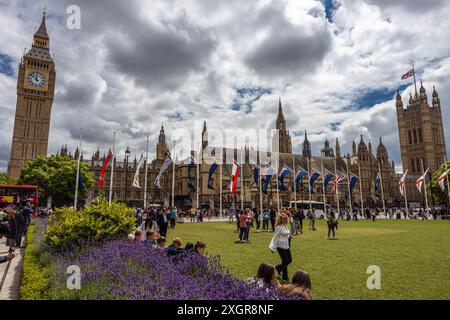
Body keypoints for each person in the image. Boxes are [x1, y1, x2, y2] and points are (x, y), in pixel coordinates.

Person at [269, 213, 292, 283]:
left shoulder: (285, 226)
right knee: (285, 261)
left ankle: (278, 267)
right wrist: (272, 247)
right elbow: (275, 237)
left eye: (286, 218)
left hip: (286, 245)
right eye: (283, 218)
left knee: (289, 260)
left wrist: (289, 237)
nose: (285, 220)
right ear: (280, 219)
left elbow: (285, 234)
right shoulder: (278, 227)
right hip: (280, 246)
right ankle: (285, 277)